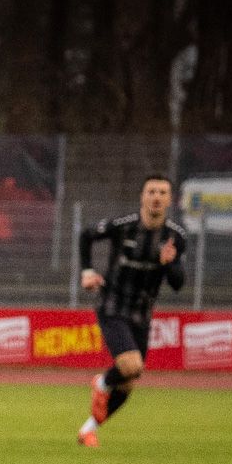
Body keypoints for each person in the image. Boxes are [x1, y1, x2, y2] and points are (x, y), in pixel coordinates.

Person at [75, 175, 186, 446]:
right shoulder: (123, 226)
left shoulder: (176, 237)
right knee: (131, 364)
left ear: (170, 200)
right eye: (151, 192)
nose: (156, 197)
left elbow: (178, 284)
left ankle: (88, 430)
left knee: (129, 380)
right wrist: (87, 271)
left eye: (162, 193)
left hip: (142, 314)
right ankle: (102, 383)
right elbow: (86, 235)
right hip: (113, 305)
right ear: (142, 197)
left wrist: (170, 264)